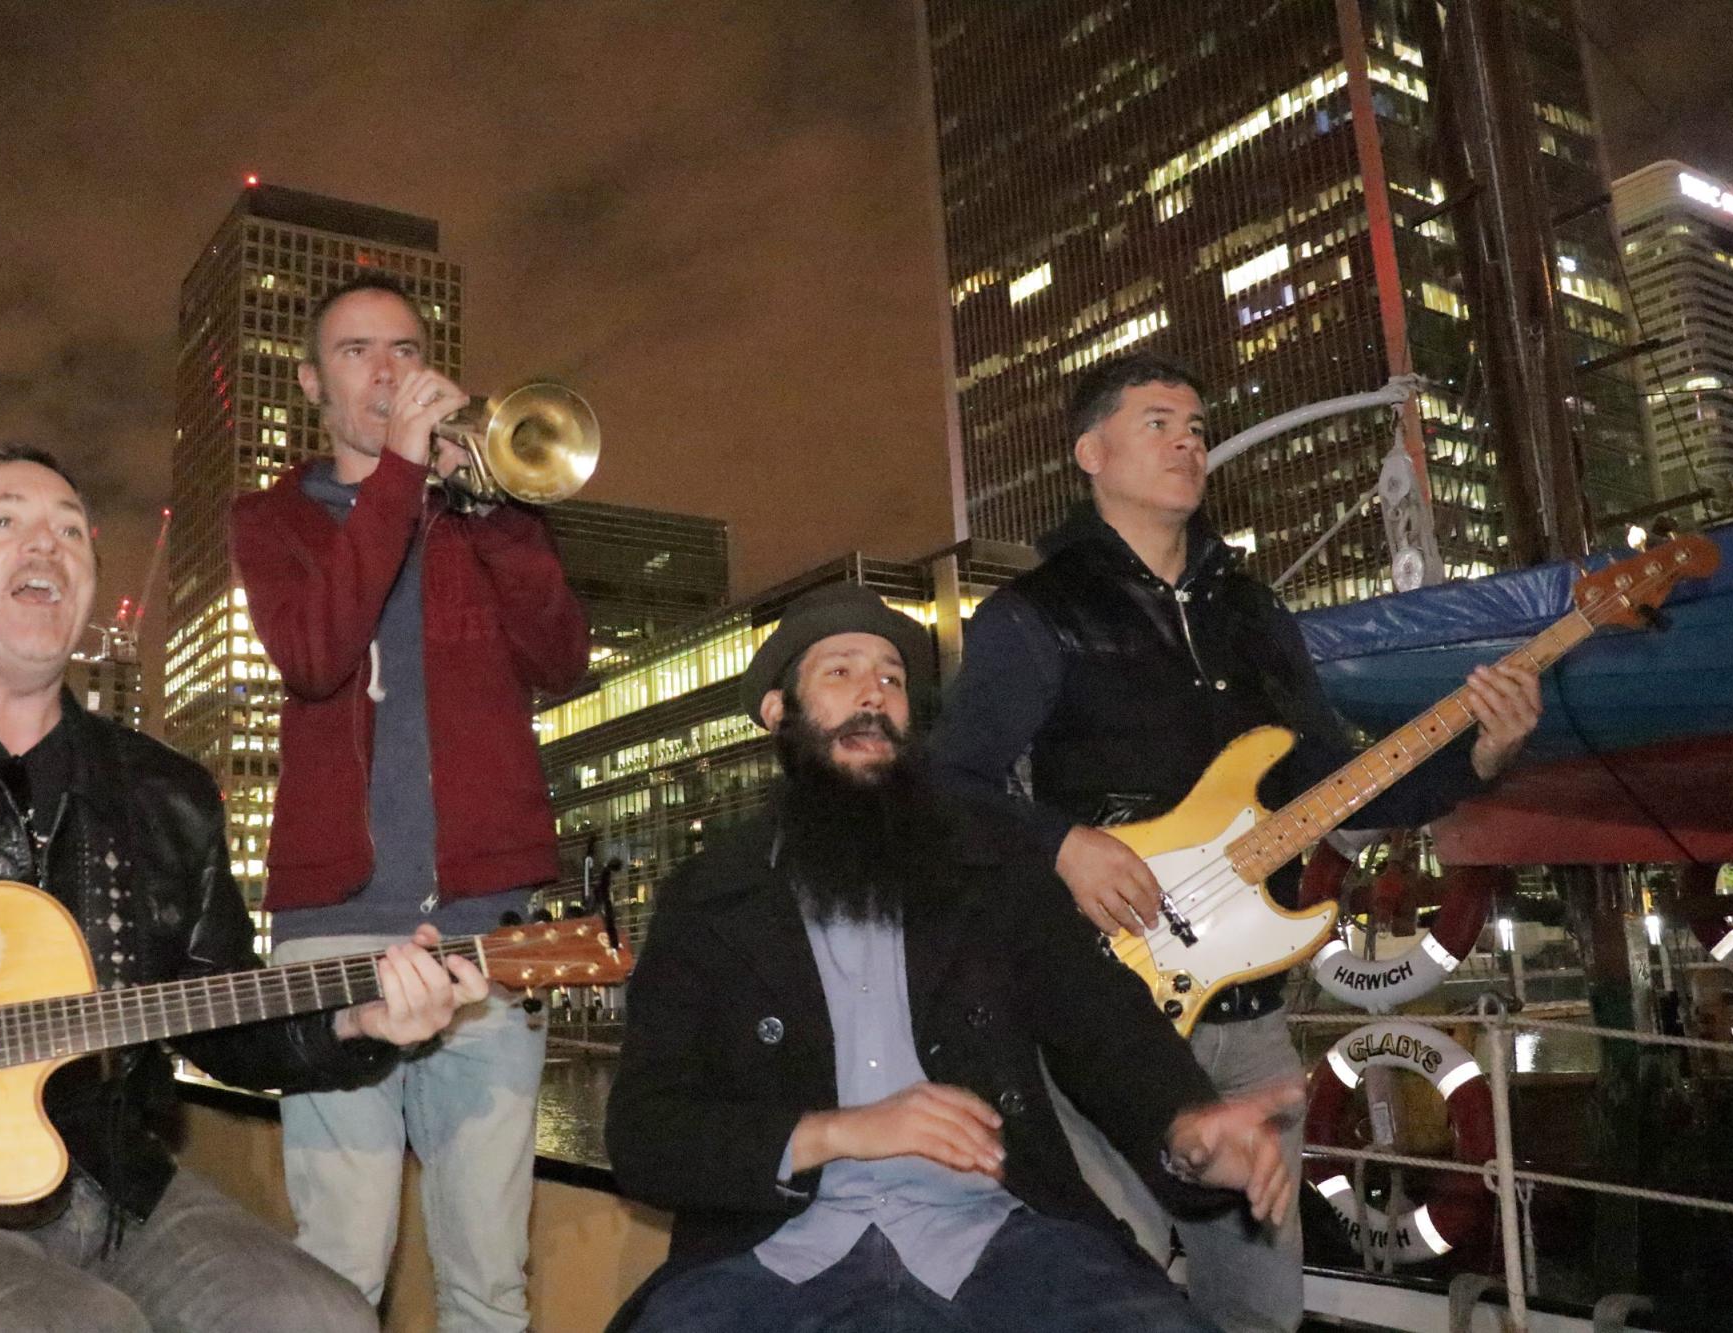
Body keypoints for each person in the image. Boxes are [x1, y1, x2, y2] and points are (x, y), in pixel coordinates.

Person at [0, 444, 486, 1333]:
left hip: (116, 1180)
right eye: (5, 520)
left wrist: (358, 1023)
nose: (47, 545)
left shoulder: (165, 792)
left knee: (319, 1318)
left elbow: (227, 1014)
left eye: (71, 531)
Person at [931, 353, 1543, 1332]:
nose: (1188, 441)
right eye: (1159, 421)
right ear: (1090, 452)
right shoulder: (1033, 615)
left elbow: (1337, 788)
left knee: (1260, 1299)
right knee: (1099, 1281)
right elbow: (946, 785)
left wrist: (1481, 757)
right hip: (1103, 1003)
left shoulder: (1254, 618)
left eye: (1198, 427)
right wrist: (1063, 845)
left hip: (1248, 1007)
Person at [605, 583, 1302, 1333]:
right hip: (770, 1257)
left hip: (1001, 1239)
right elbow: (645, 1135)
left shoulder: (993, 873)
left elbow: (1106, 1030)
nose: (873, 692)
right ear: (780, 712)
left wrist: (1187, 1132)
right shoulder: (708, 898)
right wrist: (834, 1131)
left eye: (892, 678)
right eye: (840, 671)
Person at [231, 274, 589, 1328]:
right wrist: (396, 480)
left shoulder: (479, 516)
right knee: (338, 1267)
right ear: (309, 381)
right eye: (355, 351)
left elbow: (562, 658)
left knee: (489, 1279)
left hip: (491, 930)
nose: (387, 369)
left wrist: (500, 513)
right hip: (334, 930)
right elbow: (311, 653)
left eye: (404, 347)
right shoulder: (273, 520)